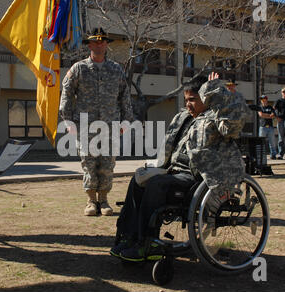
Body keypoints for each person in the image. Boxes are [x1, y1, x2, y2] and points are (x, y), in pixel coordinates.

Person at [110, 73, 251, 261]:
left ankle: (146, 242)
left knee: (157, 184)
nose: (188, 104)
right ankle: (127, 236)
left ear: (206, 98)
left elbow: (233, 123)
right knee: (138, 180)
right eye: (186, 100)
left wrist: (216, 90)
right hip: (173, 171)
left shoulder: (218, 119)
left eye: (193, 99)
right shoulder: (182, 117)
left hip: (199, 177)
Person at [59, 28, 134, 217]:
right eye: (96, 42)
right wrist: (67, 120)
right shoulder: (79, 68)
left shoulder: (116, 69)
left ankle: (104, 200)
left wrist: (126, 120)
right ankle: (91, 201)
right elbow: (67, 94)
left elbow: (124, 96)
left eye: (103, 42)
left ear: (106, 44)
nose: (99, 45)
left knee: (107, 165)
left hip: (110, 126)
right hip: (85, 126)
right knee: (89, 163)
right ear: (90, 45)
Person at [258, 95, 278, 160]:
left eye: (264, 99)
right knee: (261, 142)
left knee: (272, 142)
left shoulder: (270, 107)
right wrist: (269, 115)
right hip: (262, 127)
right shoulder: (260, 107)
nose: (263, 100)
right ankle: (261, 155)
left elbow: (273, 115)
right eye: (261, 99)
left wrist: (266, 115)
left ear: (266, 99)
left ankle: (273, 155)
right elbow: (261, 115)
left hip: (270, 127)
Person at [273, 87, 285, 159]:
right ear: (281, 92)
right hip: (281, 121)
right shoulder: (278, 101)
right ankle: (280, 154)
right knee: (281, 138)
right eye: (283, 92)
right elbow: (273, 109)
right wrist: (276, 117)